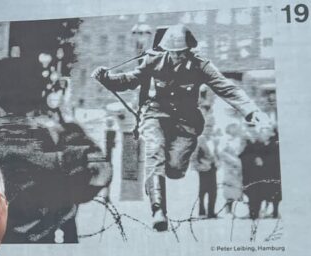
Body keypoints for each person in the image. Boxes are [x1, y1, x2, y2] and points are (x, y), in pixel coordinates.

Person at [92, 24, 264, 231]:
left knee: (174, 169)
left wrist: (251, 110)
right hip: (155, 115)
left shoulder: (200, 65)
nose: (176, 57)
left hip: (186, 123)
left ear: (188, 50)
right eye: (172, 53)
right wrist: (107, 77)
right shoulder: (153, 60)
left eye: (180, 53)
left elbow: (225, 87)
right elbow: (130, 79)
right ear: (165, 50)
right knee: (154, 153)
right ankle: (158, 211)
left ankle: (167, 181)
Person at [0, 55, 112, 243]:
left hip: (3, 240)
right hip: (47, 235)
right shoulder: (63, 131)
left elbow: (98, 171)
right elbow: (97, 174)